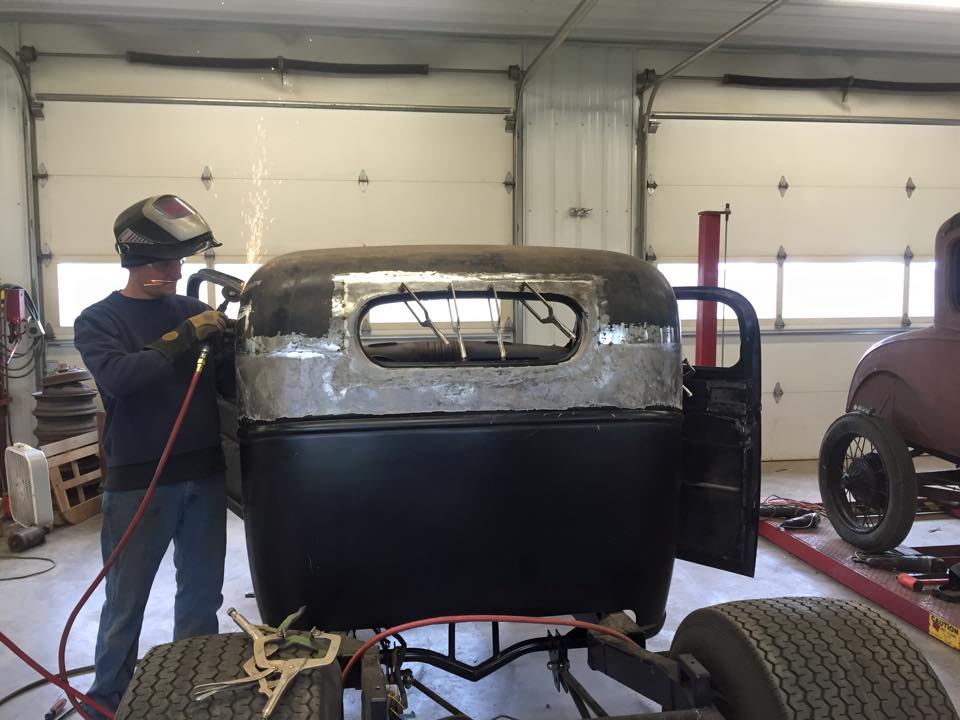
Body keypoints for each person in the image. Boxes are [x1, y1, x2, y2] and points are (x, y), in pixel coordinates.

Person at [73, 194, 232, 718]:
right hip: (138, 482)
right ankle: (106, 700)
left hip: (204, 475)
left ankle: (192, 690)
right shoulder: (98, 320)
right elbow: (121, 378)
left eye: (179, 261)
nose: (177, 271)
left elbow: (226, 386)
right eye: (166, 262)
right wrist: (181, 338)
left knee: (201, 596)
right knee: (126, 601)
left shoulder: (195, 312)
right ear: (136, 260)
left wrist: (233, 345)